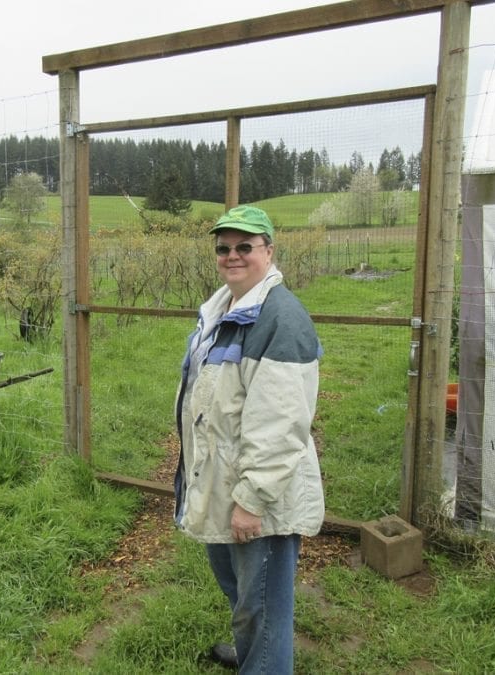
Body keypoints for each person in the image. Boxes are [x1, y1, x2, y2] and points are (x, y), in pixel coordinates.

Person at [173, 205, 325, 673]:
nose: (232, 256)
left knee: (262, 606)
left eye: (245, 247)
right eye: (224, 248)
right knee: (244, 593)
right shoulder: (224, 307)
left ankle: (263, 660)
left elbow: (281, 424)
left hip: (260, 494)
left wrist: (253, 500)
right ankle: (254, 651)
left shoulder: (280, 318)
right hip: (222, 479)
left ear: (269, 251)